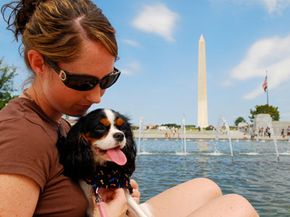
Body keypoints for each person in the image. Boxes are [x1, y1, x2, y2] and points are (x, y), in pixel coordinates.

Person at [0, 0, 259, 216]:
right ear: (38, 63)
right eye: (83, 82)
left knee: (207, 186)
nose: (97, 96)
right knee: (237, 207)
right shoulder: (21, 136)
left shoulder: (58, 123)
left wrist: (113, 188)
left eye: (107, 80)